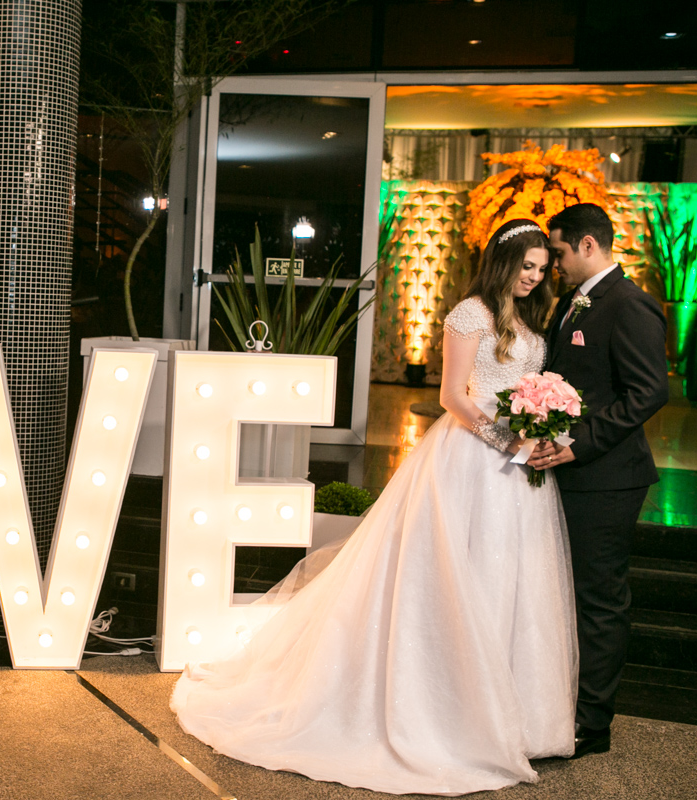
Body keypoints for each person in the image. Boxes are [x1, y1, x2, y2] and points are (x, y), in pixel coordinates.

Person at [170, 219, 577, 796]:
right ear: (503, 263)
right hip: (470, 458)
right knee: (455, 574)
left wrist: (538, 429)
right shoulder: (469, 314)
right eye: (526, 267)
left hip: (517, 474)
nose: (534, 277)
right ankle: (451, 713)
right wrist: (506, 439)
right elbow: (452, 396)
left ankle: (516, 719)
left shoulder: (533, 321)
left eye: (541, 268)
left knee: (510, 578)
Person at [527, 203, 668, 759]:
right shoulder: (572, 302)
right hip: (569, 473)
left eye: (559, 252)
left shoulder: (630, 304)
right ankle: (559, 706)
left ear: (588, 245)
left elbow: (648, 392)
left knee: (599, 601)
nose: (554, 264)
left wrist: (578, 443)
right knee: (566, 595)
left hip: (607, 478)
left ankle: (592, 723)